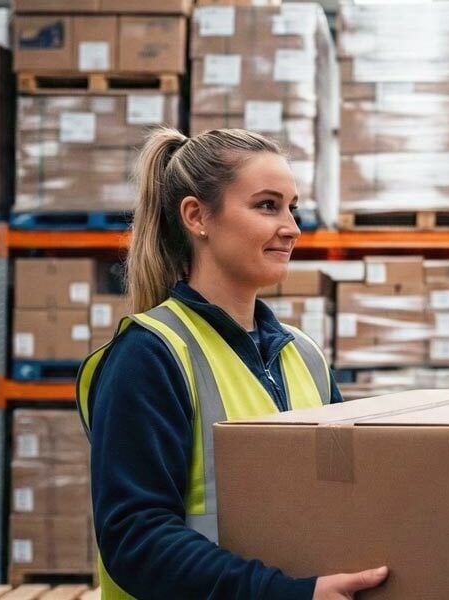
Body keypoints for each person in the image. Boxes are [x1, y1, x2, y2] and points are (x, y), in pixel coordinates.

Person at [76, 128, 389, 599]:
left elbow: (339, 501)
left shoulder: (303, 355)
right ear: (196, 216)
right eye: (267, 205)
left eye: (292, 207)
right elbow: (135, 539)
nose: (292, 227)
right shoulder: (150, 355)